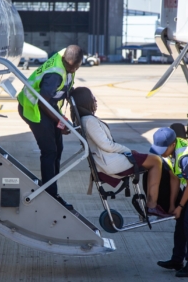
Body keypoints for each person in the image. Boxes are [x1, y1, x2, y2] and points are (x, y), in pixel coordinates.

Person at [70, 86, 174, 218]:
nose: (95, 101)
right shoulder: (89, 121)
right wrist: (128, 151)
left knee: (151, 160)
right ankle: (152, 206)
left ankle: (151, 204)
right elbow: (106, 145)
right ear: (86, 102)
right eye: (92, 98)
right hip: (109, 162)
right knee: (156, 161)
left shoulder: (86, 119)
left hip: (108, 159)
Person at [18, 45, 83, 206]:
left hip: (47, 107)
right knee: (49, 151)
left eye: (75, 67)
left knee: (58, 150)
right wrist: (61, 121)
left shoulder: (66, 58)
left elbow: (62, 90)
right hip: (33, 108)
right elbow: (43, 102)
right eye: (70, 67)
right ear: (64, 61)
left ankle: (50, 185)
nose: (72, 70)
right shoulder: (56, 73)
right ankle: (50, 195)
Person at [150, 127, 188, 277]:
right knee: (180, 222)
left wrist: (181, 206)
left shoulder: (186, 156)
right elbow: (174, 178)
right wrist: (173, 205)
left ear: (172, 144)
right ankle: (177, 260)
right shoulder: (169, 153)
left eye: (163, 149)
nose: (160, 152)